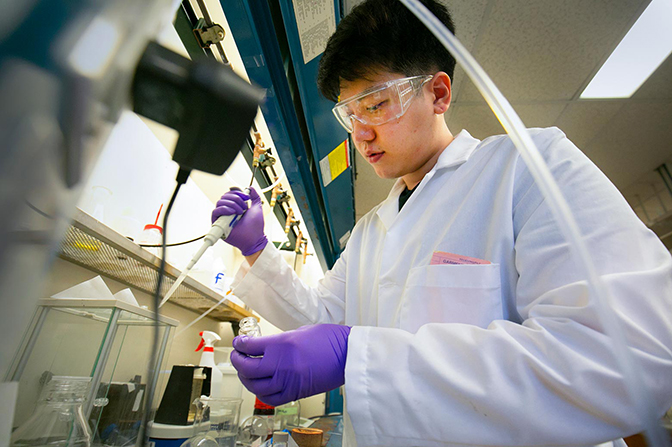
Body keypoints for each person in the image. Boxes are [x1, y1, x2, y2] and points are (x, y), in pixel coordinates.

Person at [211, 1, 672, 446]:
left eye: (374, 105)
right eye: (350, 114)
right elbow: (323, 320)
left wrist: (363, 358)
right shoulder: (370, 231)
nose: (360, 134)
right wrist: (257, 249)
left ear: (438, 93)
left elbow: (625, 361)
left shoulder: (531, 168)